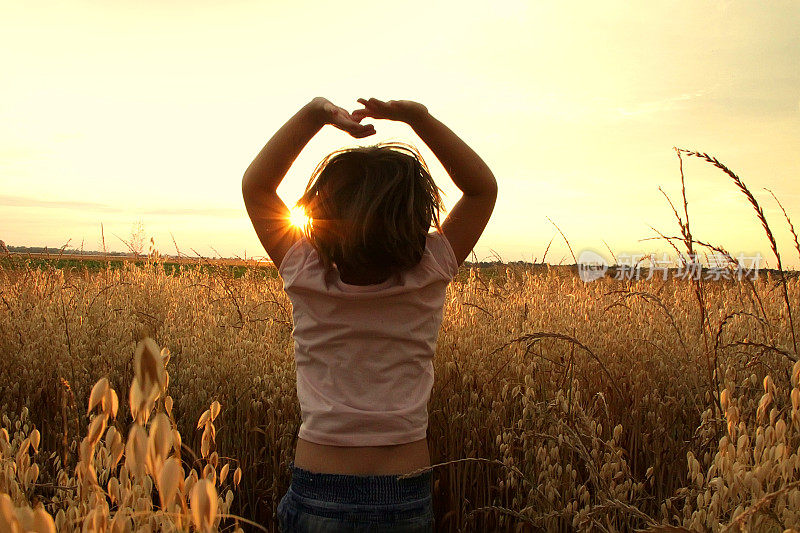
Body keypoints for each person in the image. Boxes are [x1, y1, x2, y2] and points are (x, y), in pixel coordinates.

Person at [242, 97, 497, 532]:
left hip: (317, 489)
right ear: (417, 213)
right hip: (405, 491)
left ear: (321, 213)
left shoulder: (304, 270)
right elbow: (482, 189)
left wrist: (317, 114)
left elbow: (256, 186)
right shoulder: (431, 268)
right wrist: (419, 119)